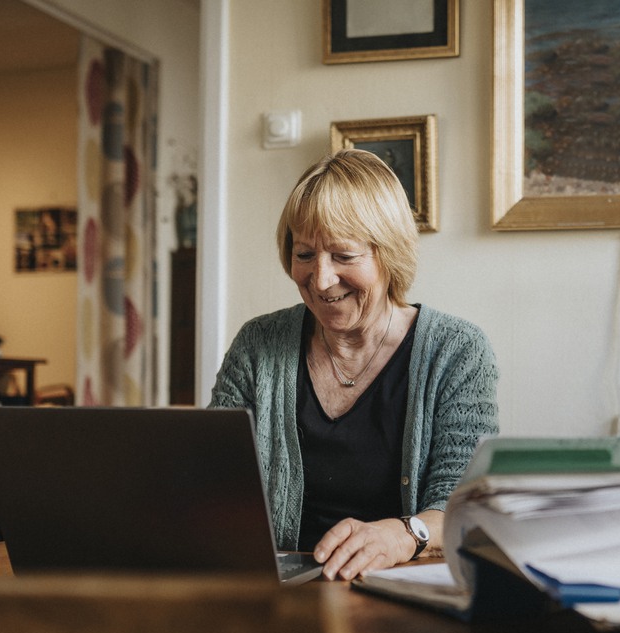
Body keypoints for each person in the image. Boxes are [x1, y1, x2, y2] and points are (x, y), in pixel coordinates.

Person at [210, 149, 499, 580]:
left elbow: (465, 505)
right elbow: (213, 479)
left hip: (400, 591)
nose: (321, 279)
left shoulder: (457, 351)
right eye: (305, 254)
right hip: (277, 594)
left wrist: (401, 535)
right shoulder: (258, 345)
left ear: (389, 254)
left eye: (343, 256)